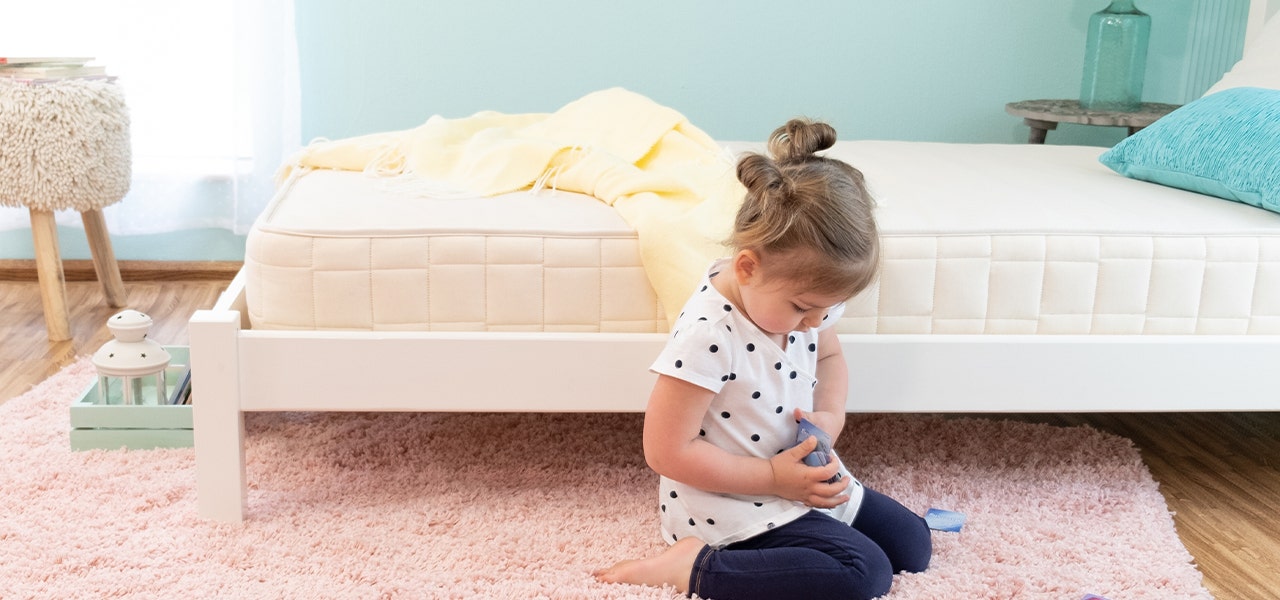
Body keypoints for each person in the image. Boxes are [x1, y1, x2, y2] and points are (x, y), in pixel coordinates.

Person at [594, 119, 932, 600]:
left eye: (826, 310)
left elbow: (830, 357)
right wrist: (773, 478)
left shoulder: (805, 302)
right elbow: (665, 451)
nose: (815, 324)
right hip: (731, 498)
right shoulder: (710, 335)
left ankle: (795, 530)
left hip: (795, 475)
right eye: (802, 308)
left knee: (913, 546)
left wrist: (830, 418)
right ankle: (694, 566)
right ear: (748, 267)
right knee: (866, 574)